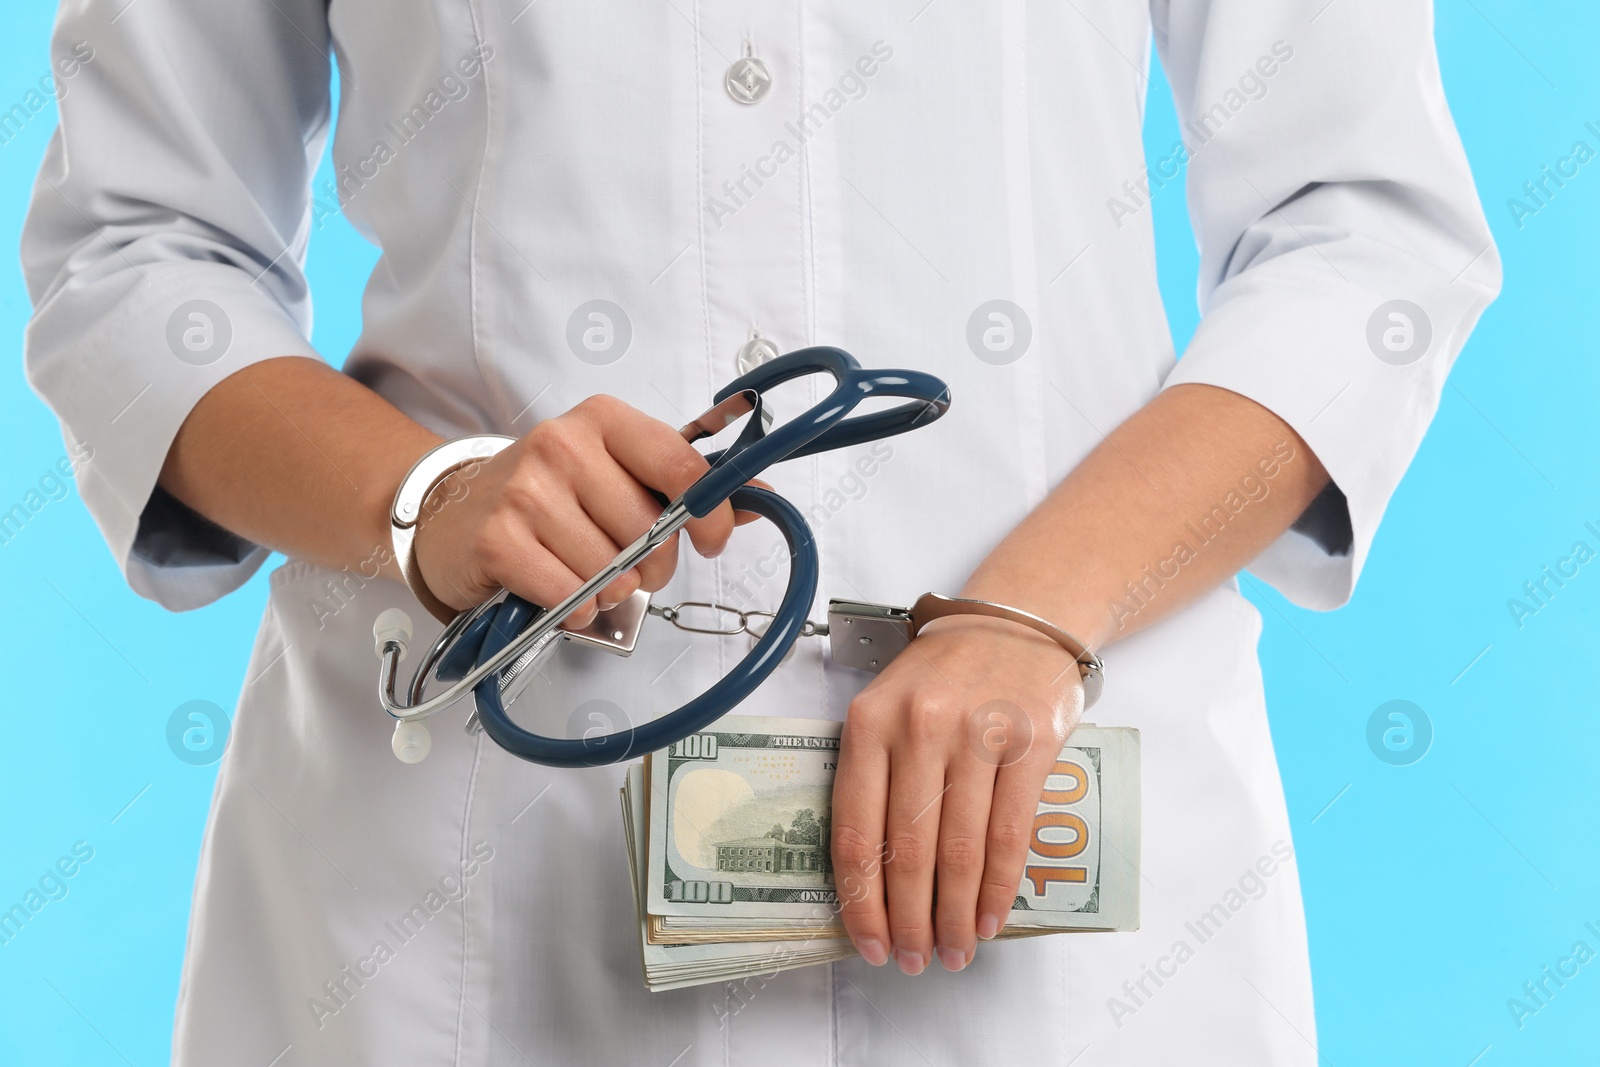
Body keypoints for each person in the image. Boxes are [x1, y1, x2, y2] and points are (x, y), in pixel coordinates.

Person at [22, 1, 1497, 1064]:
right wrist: (429, 496)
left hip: (1054, 842)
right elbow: (139, 247)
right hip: (460, 887)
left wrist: (1040, 611)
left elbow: (1360, 223)